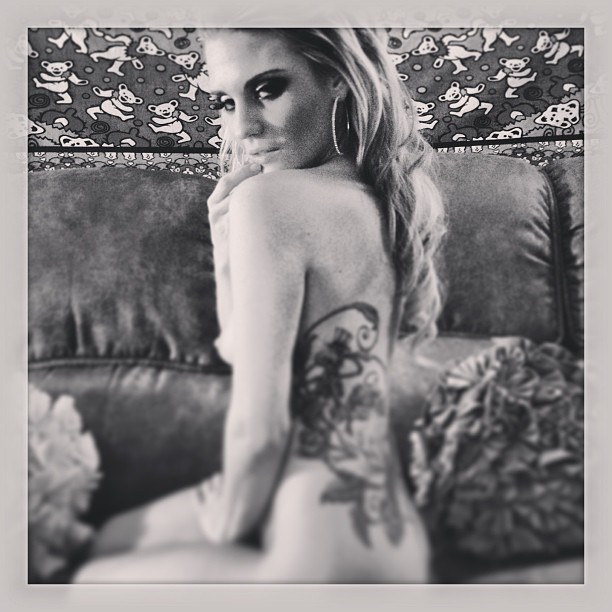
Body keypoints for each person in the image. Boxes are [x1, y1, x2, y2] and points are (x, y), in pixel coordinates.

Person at [73, 27, 446, 584]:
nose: (243, 128)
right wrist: (225, 245)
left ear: (338, 78)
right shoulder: (381, 197)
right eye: (226, 102)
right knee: (116, 536)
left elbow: (259, 433)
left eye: (268, 89)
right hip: (395, 548)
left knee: (86, 582)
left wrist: (227, 524)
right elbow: (242, 349)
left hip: (314, 563)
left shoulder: (270, 199)